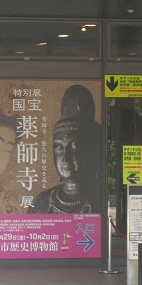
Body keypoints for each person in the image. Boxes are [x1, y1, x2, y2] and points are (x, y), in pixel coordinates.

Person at [27, 85, 101, 214]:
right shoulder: (41, 202)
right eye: (59, 147)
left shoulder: (102, 199)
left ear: (92, 151)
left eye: (75, 147)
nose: (66, 158)